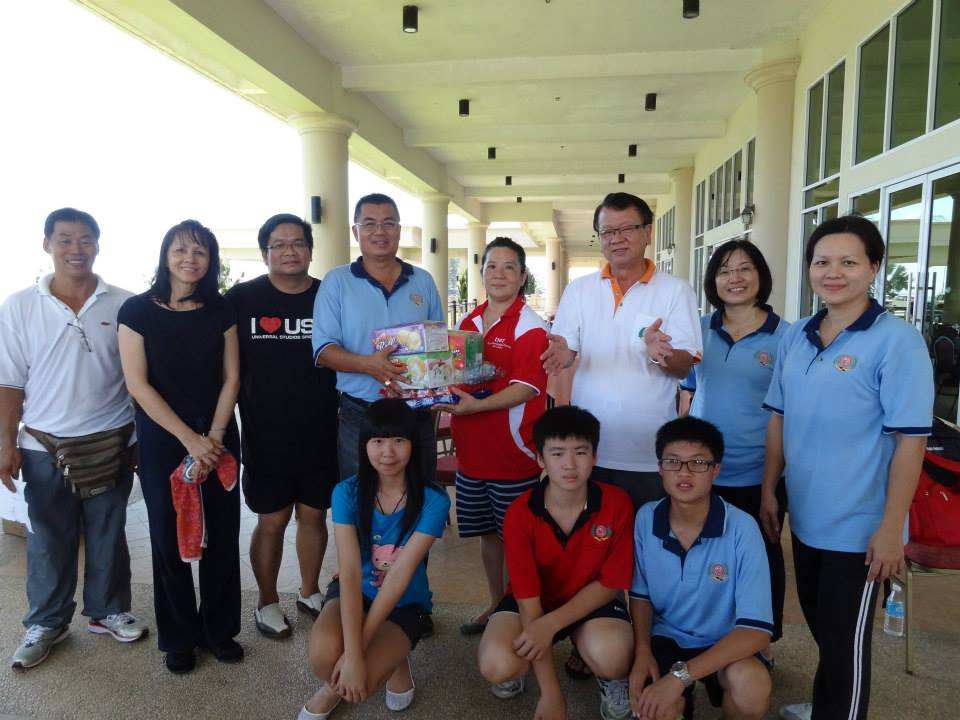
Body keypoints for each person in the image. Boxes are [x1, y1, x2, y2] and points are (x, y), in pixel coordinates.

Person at [759, 215, 933, 720]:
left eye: (849, 262)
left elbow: (911, 441)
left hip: (860, 525)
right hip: (808, 515)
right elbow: (779, 417)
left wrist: (890, 529)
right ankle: (827, 705)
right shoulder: (797, 335)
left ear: (874, 267)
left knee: (844, 645)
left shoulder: (897, 341)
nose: (833, 273)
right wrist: (770, 489)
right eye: (822, 262)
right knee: (824, 627)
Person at [0, 208, 147, 670]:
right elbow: (9, 383)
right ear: (47, 244)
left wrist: (140, 438)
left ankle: (108, 611)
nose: (76, 249)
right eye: (65, 239)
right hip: (42, 445)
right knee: (48, 537)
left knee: (108, 532)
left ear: (97, 245)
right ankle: (46, 622)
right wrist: (5, 443)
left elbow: (139, 380)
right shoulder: (19, 306)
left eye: (85, 239)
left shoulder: (125, 304)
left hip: (111, 441)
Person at [118, 219, 242, 674]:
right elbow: (138, 384)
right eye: (180, 250)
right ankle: (178, 637)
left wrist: (215, 437)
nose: (190, 259)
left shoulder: (221, 309)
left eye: (200, 251)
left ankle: (219, 631)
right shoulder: (136, 311)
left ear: (211, 260)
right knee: (168, 540)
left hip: (219, 434)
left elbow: (232, 377)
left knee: (222, 536)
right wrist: (190, 440)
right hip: (163, 438)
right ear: (165, 256)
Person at [542, 192, 702, 510]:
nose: (617, 239)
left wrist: (660, 353)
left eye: (627, 229)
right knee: (593, 533)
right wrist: (562, 355)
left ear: (647, 232)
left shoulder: (675, 290)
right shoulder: (579, 290)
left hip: (648, 451)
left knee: (644, 533)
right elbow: (568, 349)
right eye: (608, 232)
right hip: (589, 449)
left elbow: (684, 365)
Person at [477, 406, 635, 720]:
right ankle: (523, 667)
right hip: (535, 603)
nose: (570, 464)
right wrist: (551, 693)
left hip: (591, 602)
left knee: (614, 657)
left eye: (580, 452)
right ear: (540, 459)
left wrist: (550, 625)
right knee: (497, 665)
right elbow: (528, 600)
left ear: (595, 456)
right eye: (557, 453)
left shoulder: (617, 503)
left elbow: (610, 584)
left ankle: (608, 677)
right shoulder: (520, 512)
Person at [224, 213, 340, 634]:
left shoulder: (329, 296)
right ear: (265, 253)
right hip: (265, 433)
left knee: (314, 515)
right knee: (271, 520)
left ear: (310, 249)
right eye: (279, 244)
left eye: (298, 243)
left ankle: (309, 591)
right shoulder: (241, 299)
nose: (290, 251)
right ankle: (267, 601)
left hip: (322, 430)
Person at [299, 399, 450, 720]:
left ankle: (378, 666)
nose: (387, 452)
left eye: (399, 440)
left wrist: (356, 655)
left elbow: (399, 576)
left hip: (405, 601)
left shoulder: (434, 500)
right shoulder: (346, 492)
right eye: (377, 441)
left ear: (413, 443)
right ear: (364, 444)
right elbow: (351, 572)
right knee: (323, 659)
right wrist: (352, 655)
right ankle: (359, 670)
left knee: (363, 678)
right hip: (355, 591)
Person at [433, 237, 549, 636]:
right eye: (491, 267)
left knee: (518, 541)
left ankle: (521, 614)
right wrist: (432, 393)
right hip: (471, 456)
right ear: (481, 273)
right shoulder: (468, 323)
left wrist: (474, 408)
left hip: (513, 456)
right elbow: (455, 377)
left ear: (522, 276)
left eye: (509, 267)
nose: (499, 274)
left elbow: (526, 389)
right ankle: (496, 603)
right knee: (488, 536)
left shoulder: (531, 327)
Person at [678, 239, 789, 649]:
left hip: (759, 472)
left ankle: (760, 642)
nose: (734, 278)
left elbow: (785, 414)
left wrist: (770, 488)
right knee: (705, 556)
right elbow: (687, 392)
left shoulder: (786, 338)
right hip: (703, 471)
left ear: (760, 276)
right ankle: (708, 636)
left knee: (760, 557)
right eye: (724, 270)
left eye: (744, 269)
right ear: (713, 280)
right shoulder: (697, 330)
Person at [630, 416, 773, 720]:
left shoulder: (742, 527)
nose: (684, 472)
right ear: (660, 468)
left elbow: (757, 631)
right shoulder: (646, 518)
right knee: (653, 708)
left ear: (715, 470)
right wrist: (642, 650)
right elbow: (640, 596)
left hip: (725, 641)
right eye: (673, 462)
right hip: (667, 637)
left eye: (697, 462)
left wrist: (680, 677)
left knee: (752, 686)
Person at [313, 193, 444, 484]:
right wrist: (368, 365)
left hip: (416, 411)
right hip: (360, 412)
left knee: (420, 493)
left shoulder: (422, 280)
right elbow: (323, 350)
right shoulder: (337, 281)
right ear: (355, 231)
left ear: (399, 230)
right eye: (370, 223)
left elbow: (439, 343)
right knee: (360, 493)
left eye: (389, 223)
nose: (380, 231)